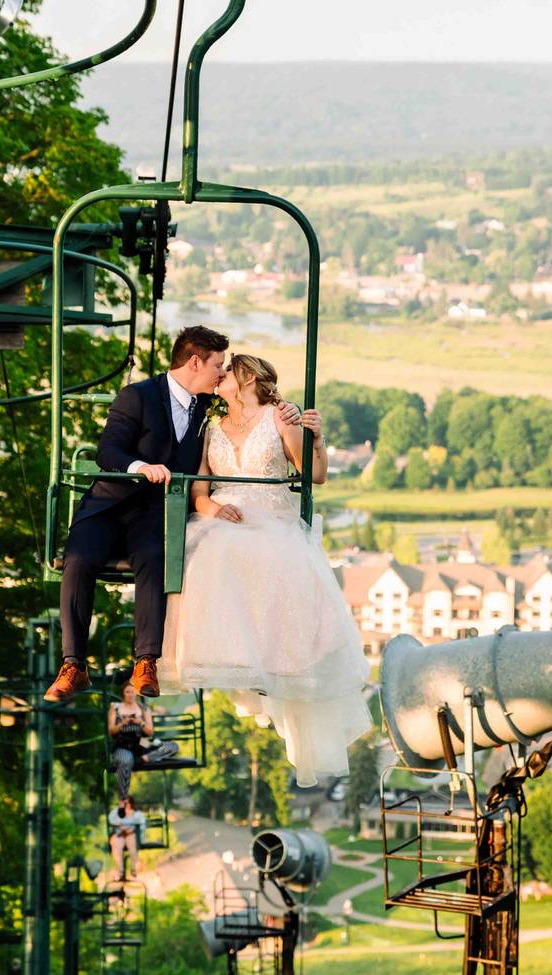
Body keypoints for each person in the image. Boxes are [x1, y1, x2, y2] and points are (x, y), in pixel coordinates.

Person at [44, 327, 300, 704]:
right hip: (109, 507)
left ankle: (146, 661)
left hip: (153, 511)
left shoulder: (207, 408)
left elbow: (252, 412)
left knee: (154, 557)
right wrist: (140, 466)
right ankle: (73, 665)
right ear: (195, 361)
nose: (221, 372)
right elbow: (108, 451)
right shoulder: (138, 396)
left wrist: (290, 412)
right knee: (79, 560)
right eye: (217, 364)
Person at [160, 354, 372, 787]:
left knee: (265, 557)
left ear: (248, 379)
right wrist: (214, 507)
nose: (219, 379)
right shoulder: (211, 429)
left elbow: (314, 474)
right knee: (208, 552)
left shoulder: (281, 418)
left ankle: (274, 662)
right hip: (226, 516)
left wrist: (318, 440)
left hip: (271, 519)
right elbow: (200, 492)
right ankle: (228, 656)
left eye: (227, 374)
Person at [109, 683, 180, 800]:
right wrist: (123, 723)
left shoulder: (143, 708)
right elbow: (112, 731)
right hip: (123, 743)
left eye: (133, 692)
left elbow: (149, 732)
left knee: (173, 746)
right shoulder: (115, 707)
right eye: (128, 692)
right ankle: (123, 798)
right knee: (126, 761)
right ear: (123, 693)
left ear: (136, 694)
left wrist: (139, 723)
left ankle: (144, 759)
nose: (130, 694)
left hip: (141, 742)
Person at [107, 796, 147, 882]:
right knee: (116, 844)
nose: (126, 805)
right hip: (120, 834)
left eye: (128, 803)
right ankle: (120, 870)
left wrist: (130, 830)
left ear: (132, 803)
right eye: (124, 803)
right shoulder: (118, 813)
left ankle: (134, 868)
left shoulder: (137, 814)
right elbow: (110, 819)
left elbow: (142, 825)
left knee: (132, 845)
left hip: (132, 833)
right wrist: (119, 808)